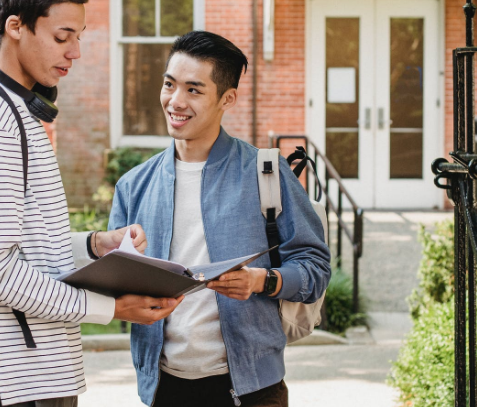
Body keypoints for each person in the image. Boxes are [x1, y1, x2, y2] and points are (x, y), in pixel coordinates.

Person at [0, 0, 182, 406]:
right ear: (16, 26)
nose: (74, 52)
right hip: (14, 384)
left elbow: (23, 246)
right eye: (61, 36)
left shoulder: (14, 110)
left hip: (36, 376)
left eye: (79, 36)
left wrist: (97, 245)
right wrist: (112, 308)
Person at [108, 31, 331, 407]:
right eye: (169, 85)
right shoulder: (134, 186)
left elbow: (315, 269)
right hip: (163, 389)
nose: (175, 101)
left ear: (227, 98)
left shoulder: (267, 172)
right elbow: (114, 281)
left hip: (253, 390)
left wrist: (262, 280)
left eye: (194, 90)